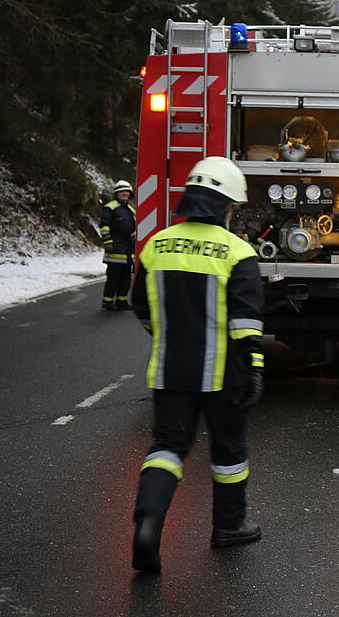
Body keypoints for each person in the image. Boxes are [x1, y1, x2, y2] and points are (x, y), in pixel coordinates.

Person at [129, 157, 265, 573]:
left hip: (171, 371)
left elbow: (141, 307)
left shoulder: (156, 245)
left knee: (168, 448)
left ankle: (149, 521)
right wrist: (255, 366)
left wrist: (167, 334)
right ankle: (229, 526)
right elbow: (244, 321)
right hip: (224, 373)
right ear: (226, 206)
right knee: (228, 449)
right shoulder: (237, 251)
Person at [100, 180, 136, 310]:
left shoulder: (130, 210)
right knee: (114, 277)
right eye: (122, 191)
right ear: (117, 193)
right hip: (115, 248)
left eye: (127, 191)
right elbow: (104, 225)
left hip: (127, 250)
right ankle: (107, 301)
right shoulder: (110, 207)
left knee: (126, 278)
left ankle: (122, 300)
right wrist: (108, 241)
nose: (125, 193)